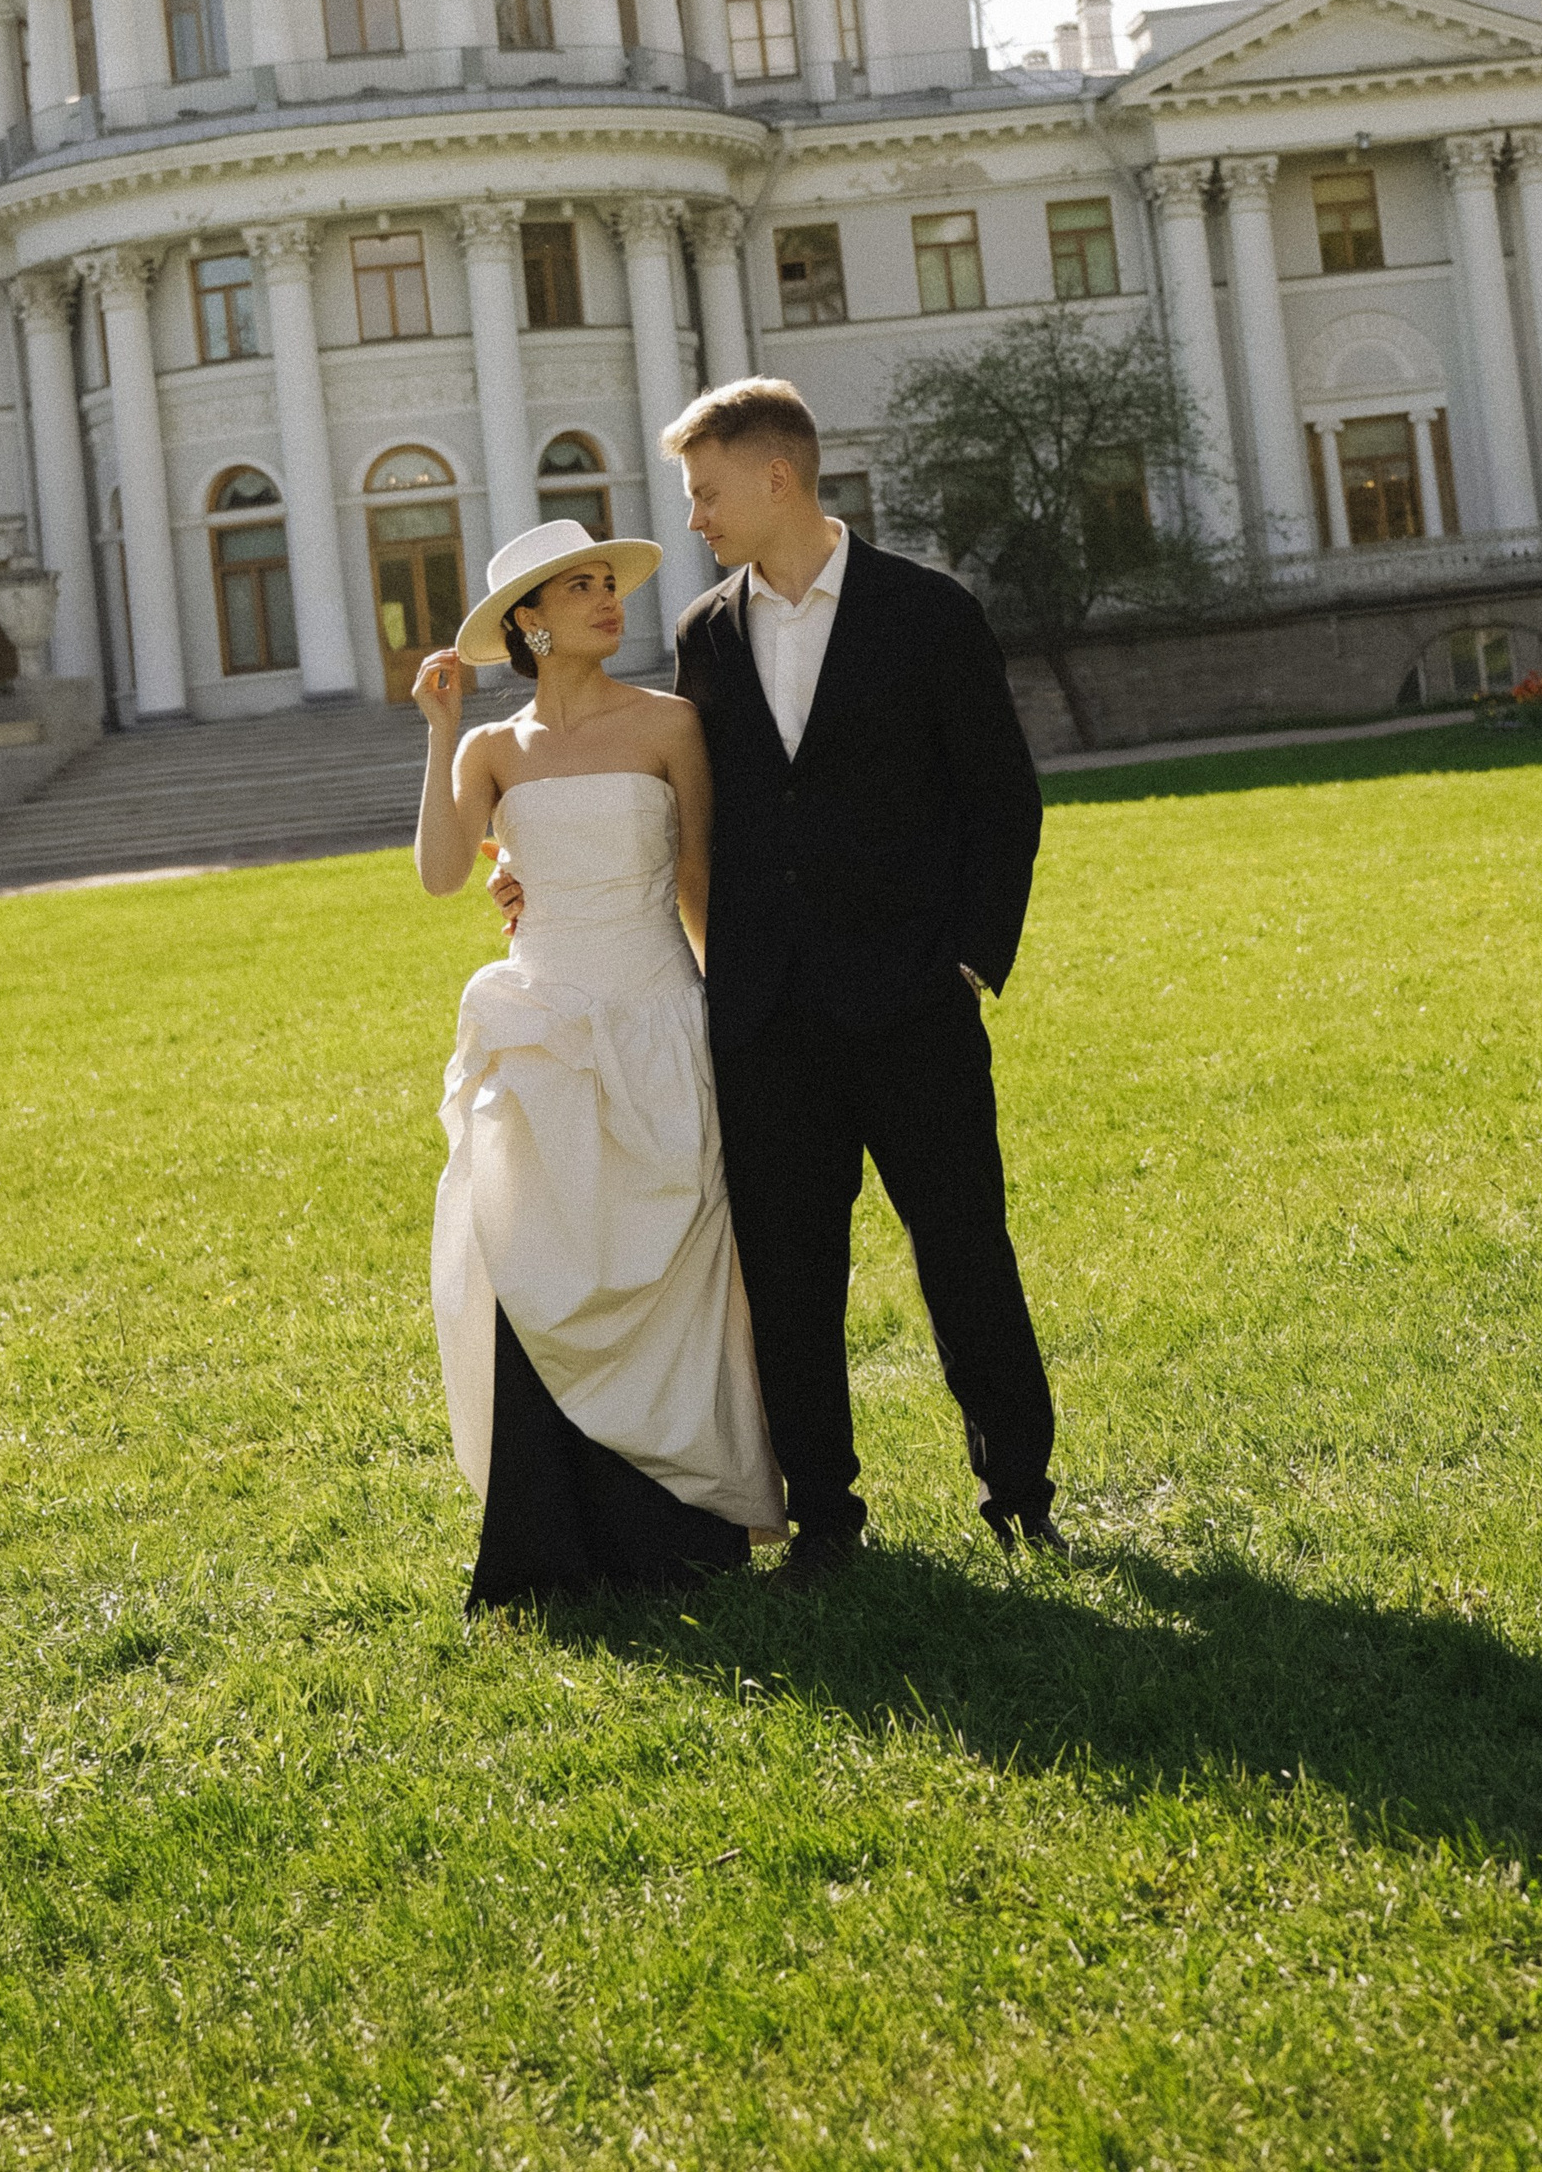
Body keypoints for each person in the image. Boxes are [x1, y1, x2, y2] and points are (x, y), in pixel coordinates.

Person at [497, 377, 1062, 1582]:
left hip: (914, 1002)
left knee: (966, 1249)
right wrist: (531, 869)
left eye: (705, 491)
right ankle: (825, 1516)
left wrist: (969, 953)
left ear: (777, 478)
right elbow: (680, 816)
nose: (694, 515)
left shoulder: (930, 611)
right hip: (763, 1019)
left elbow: (1001, 799)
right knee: (789, 1282)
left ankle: (1018, 1489)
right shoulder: (706, 631)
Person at [410, 516, 784, 1613]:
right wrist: (438, 731)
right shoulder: (490, 749)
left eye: (607, 580)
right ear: (527, 621)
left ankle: (680, 1531)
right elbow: (442, 871)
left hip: (660, 1012)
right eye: (578, 586)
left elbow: (698, 877)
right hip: (540, 1031)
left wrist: (729, 1014)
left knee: (669, 1258)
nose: (605, 597)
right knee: (537, 1255)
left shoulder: (671, 723)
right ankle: (550, 1532)